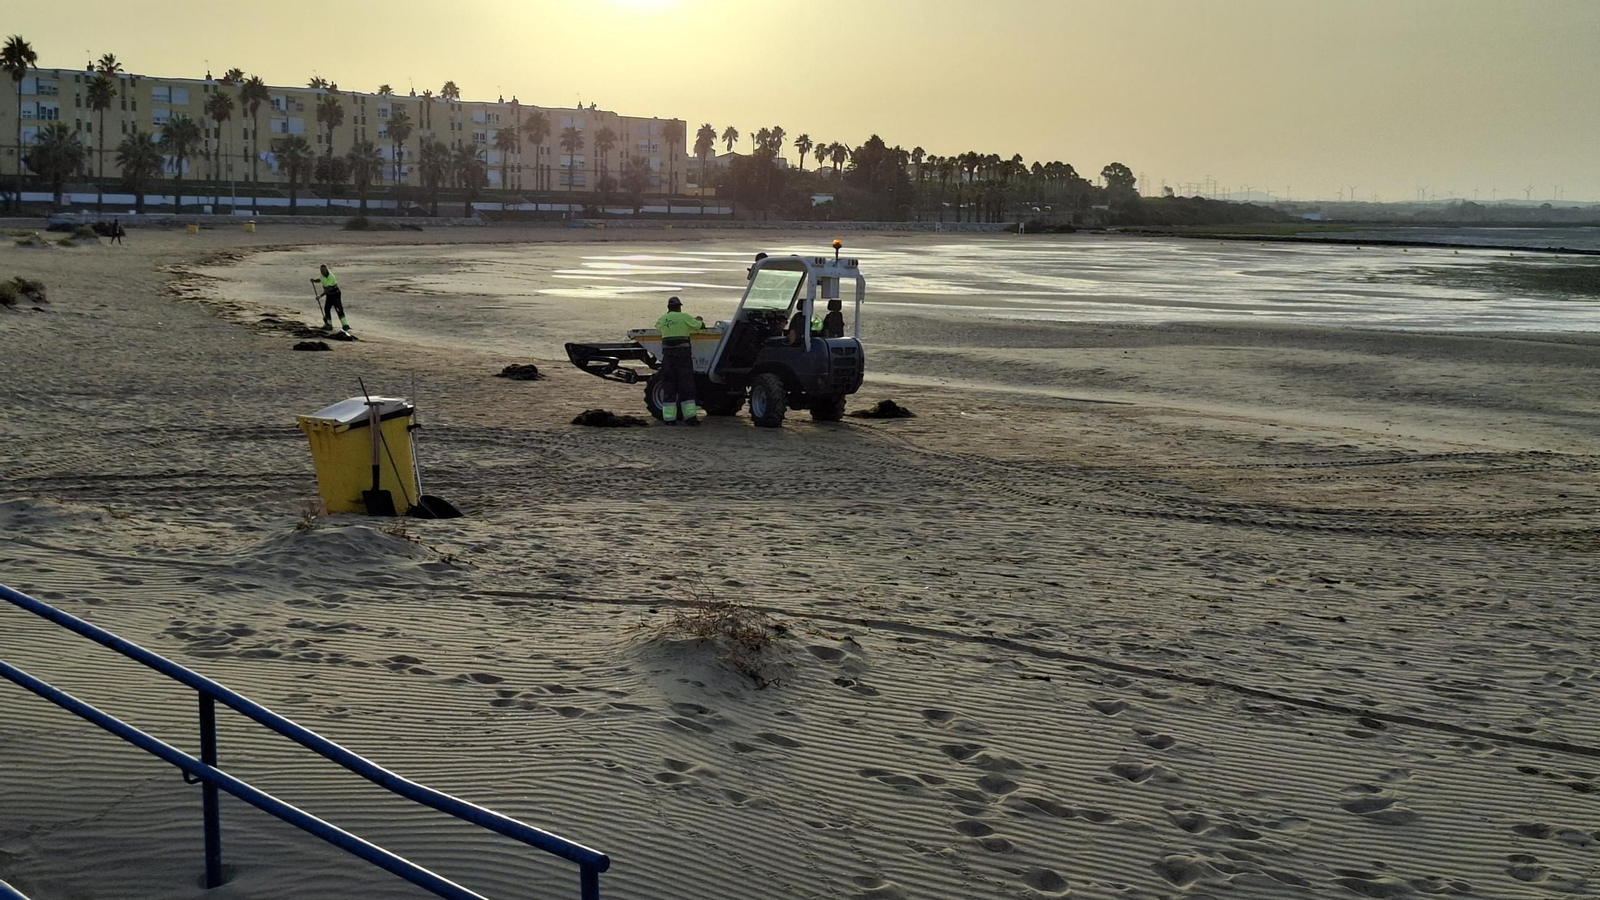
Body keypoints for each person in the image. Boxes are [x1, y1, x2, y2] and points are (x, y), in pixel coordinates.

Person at [654, 296, 705, 426]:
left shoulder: (662, 319)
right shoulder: (684, 317)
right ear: (679, 307)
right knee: (686, 386)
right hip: (683, 358)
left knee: (669, 386)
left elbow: (658, 328)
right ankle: (690, 418)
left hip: (668, 359)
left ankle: (669, 419)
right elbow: (699, 326)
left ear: (668, 308)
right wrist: (699, 320)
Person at [311, 264, 351, 333]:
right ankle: (329, 324)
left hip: (335, 294)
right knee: (327, 308)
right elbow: (320, 279)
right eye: (321, 271)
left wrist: (320, 296)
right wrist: (314, 281)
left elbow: (328, 289)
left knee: (338, 309)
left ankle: (345, 325)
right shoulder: (322, 276)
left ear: (327, 270)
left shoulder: (331, 277)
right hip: (329, 295)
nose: (322, 272)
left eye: (324, 270)